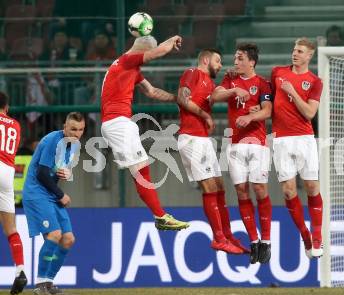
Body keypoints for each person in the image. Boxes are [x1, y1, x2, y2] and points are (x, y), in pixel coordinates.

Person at [100, 35, 189, 230]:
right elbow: (158, 53)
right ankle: (160, 216)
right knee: (141, 171)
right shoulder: (126, 60)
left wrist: (177, 99)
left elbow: (152, 92)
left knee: (141, 170)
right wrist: (172, 40)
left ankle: (160, 215)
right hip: (118, 123)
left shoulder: (130, 68)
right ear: (143, 50)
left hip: (119, 123)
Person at [176, 48, 248, 255]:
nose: (220, 65)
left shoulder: (209, 83)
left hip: (202, 140)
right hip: (191, 138)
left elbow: (219, 93)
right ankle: (218, 239)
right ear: (205, 60)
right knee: (209, 188)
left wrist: (231, 80)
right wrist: (205, 115)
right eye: (217, 61)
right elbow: (182, 98)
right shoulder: (193, 73)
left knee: (219, 187)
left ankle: (227, 235)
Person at [211, 43, 273, 264]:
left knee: (259, 188)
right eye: (235, 58)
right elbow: (215, 95)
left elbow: (268, 110)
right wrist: (233, 90)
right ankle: (254, 240)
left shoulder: (262, 84)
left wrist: (250, 117)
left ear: (251, 62)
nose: (235, 62)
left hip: (257, 142)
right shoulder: (230, 80)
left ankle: (266, 240)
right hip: (235, 143)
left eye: (239, 58)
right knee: (241, 191)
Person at [271, 38, 324, 259]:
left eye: (300, 51)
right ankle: (306, 236)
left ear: (309, 55)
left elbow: (310, 114)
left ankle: (318, 235)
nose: (295, 54)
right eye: (294, 50)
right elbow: (268, 99)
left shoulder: (314, 81)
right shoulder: (277, 72)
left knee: (312, 187)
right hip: (281, 139)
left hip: (304, 138)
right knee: (288, 191)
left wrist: (292, 91)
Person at [22, 112, 85, 295]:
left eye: (81, 130)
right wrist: (61, 195)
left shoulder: (73, 145)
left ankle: (49, 282)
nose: (77, 133)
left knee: (68, 239)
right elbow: (42, 173)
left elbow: (56, 171)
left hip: (50, 193)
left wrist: (65, 174)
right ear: (65, 127)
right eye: (73, 129)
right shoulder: (53, 140)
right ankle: (40, 284)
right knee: (55, 234)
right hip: (36, 192)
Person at [0, 91, 28, 295]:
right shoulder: (16, 125)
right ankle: (20, 270)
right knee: (11, 228)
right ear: (6, 107)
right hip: (8, 172)